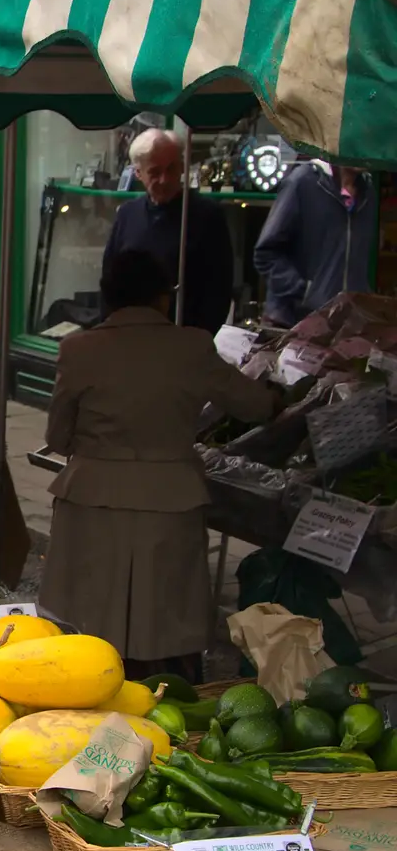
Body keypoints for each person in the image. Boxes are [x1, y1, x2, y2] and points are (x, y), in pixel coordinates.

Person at [42, 248, 277, 680]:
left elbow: (56, 437)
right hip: (170, 495)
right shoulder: (191, 346)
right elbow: (256, 405)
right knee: (166, 620)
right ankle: (170, 707)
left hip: (93, 493)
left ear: (107, 295)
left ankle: (84, 700)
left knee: (88, 621)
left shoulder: (79, 349)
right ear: (163, 298)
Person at [101, 128, 234, 336]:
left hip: (183, 340)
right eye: (155, 172)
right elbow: (109, 278)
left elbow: (219, 290)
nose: (164, 179)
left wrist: (195, 340)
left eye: (171, 169)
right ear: (138, 173)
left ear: (182, 167)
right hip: (130, 339)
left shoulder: (207, 216)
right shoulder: (128, 214)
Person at [253, 160, 377, 326]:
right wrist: (306, 292)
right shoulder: (303, 182)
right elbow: (266, 253)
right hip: (294, 324)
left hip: (343, 328)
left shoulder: (368, 193)